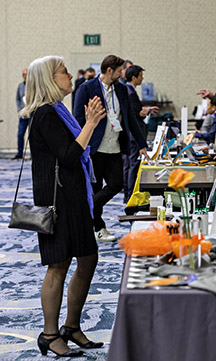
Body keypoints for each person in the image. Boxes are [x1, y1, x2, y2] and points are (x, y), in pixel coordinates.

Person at [20, 55, 106, 357]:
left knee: (88, 259)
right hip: (57, 202)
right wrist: (92, 124)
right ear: (48, 80)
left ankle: (71, 327)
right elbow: (70, 156)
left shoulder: (59, 110)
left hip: (73, 198)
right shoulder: (45, 114)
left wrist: (88, 125)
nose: (71, 76)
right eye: (64, 72)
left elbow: (72, 155)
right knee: (58, 265)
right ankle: (50, 334)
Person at [74, 55, 148, 242]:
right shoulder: (86, 88)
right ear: (109, 71)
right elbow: (78, 119)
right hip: (94, 148)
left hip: (115, 146)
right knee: (96, 187)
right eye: (119, 70)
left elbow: (130, 118)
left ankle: (86, 210)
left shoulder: (121, 89)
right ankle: (98, 227)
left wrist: (142, 144)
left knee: (116, 184)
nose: (122, 73)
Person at [124, 64, 159, 200]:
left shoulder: (129, 91)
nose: (142, 78)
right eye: (140, 76)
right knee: (133, 165)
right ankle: (131, 195)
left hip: (132, 135)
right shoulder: (130, 92)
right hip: (134, 136)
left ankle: (129, 194)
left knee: (131, 164)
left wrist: (146, 110)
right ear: (134, 77)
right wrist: (145, 111)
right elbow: (137, 113)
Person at [13, 68, 28, 159]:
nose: (25, 76)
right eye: (24, 75)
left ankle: (34, 154)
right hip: (23, 113)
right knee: (20, 133)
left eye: (26, 74)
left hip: (32, 112)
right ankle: (20, 153)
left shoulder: (33, 85)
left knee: (34, 135)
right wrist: (19, 109)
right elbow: (18, 99)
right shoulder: (20, 86)